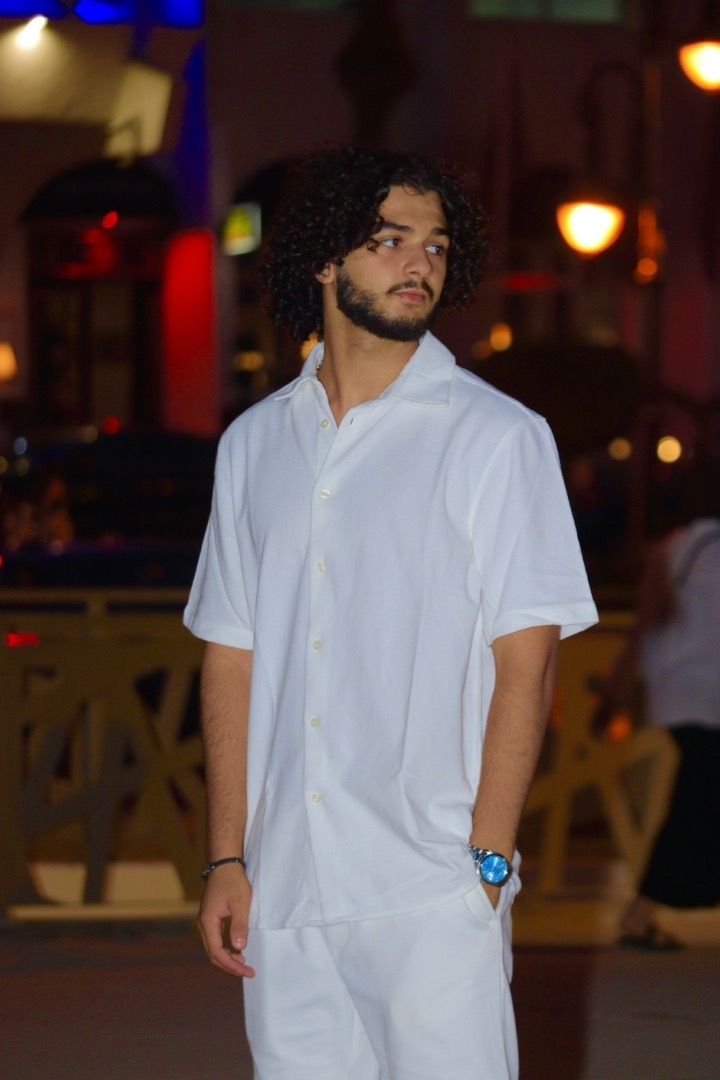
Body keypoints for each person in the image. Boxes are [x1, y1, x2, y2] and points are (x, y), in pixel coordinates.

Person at [183, 147, 598, 1080]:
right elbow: (231, 657)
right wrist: (225, 858)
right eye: (391, 241)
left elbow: (527, 662)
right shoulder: (253, 445)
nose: (420, 265)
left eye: (437, 246)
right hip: (285, 885)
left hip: (427, 881)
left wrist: (486, 861)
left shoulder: (497, 437)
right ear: (325, 259)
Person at [595, 466, 720, 950]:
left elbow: (644, 625)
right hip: (711, 693)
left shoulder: (673, 550)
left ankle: (643, 910)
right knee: (695, 800)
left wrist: (614, 691)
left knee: (697, 795)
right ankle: (640, 911)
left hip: (677, 692)